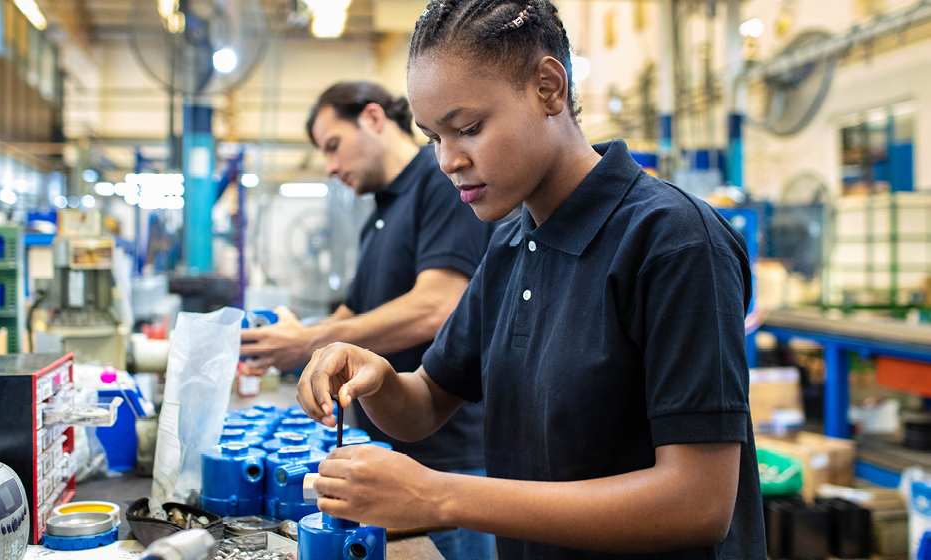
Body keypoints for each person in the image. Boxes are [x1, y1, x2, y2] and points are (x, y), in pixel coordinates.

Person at [294, 1, 767, 559]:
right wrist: (376, 378)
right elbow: (425, 403)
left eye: (467, 128)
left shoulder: (674, 242)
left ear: (549, 88)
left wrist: (439, 497)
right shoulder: (512, 242)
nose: (448, 160)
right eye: (433, 138)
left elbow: (698, 502)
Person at [240, 81, 497, 558]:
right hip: (393, 456)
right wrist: (296, 347)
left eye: (333, 146)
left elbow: (435, 306)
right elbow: (352, 312)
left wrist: (310, 339)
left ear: (374, 118)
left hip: (449, 464)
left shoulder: (444, 186)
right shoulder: (380, 214)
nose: (331, 167)